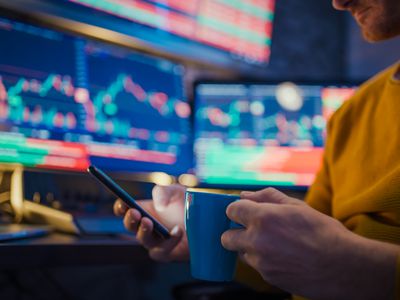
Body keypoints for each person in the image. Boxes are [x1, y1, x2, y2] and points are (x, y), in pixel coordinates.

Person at [114, 0, 400, 299]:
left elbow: (327, 261)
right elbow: (303, 262)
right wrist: (215, 243)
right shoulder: (351, 113)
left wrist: (352, 268)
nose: (338, 3)